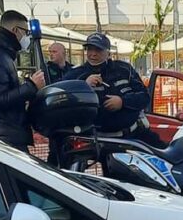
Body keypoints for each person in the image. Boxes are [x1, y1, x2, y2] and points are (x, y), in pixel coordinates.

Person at [60, 33, 165, 165]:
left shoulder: (124, 69)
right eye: (89, 49)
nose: (92, 54)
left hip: (132, 137)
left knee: (164, 157)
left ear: (108, 52)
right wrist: (83, 86)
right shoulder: (75, 74)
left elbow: (144, 96)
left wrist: (122, 102)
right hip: (95, 141)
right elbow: (64, 101)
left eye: (98, 50)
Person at [0, 10, 45, 152]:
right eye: (26, 32)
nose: (27, 37)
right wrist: (31, 86)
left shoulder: (2, 54)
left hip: (4, 133)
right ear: (15, 30)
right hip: (4, 138)